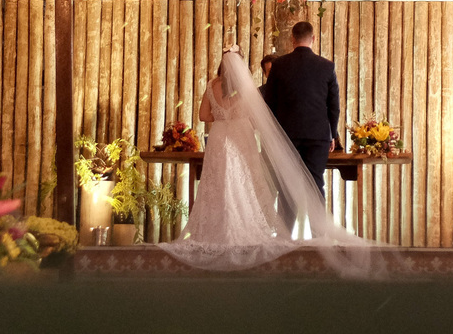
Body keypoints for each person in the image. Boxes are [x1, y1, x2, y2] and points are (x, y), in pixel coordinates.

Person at [160, 47, 378, 276]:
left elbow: (204, 116)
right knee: (244, 183)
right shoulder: (245, 89)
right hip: (240, 135)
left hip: (218, 137)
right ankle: (245, 227)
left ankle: (213, 231)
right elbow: (258, 120)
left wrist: (221, 116)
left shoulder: (211, 85)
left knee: (216, 184)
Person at [262, 21, 341, 201]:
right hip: (317, 135)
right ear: (313, 38)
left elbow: (270, 102)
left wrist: (274, 133)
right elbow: (334, 105)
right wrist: (332, 134)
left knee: (286, 185)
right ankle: (318, 221)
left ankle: (286, 221)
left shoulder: (279, 65)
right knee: (315, 184)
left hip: (287, 135)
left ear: (292, 39)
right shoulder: (327, 66)